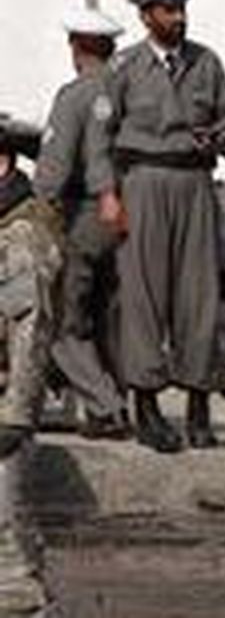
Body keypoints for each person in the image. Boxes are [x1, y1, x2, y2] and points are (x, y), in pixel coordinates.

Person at [103, 0, 225, 453]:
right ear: (146, 16)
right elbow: (100, 140)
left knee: (197, 296)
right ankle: (147, 406)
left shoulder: (207, 63)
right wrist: (108, 196)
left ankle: (199, 407)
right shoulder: (123, 69)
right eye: (166, 9)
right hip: (142, 182)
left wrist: (220, 139)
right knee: (144, 297)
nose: (178, 17)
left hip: (195, 184)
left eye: (181, 7)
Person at [34, 8, 132, 440]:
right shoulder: (129, 89)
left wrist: (38, 214)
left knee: (62, 321)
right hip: (129, 214)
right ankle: (118, 401)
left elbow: (53, 173)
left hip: (83, 216)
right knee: (109, 316)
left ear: (76, 47)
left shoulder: (74, 96)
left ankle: (106, 408)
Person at [0, 121, 63, 612]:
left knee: (10, 558)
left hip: (2, 411)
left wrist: (17, 414)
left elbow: (32, 324)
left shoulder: (21, 236)